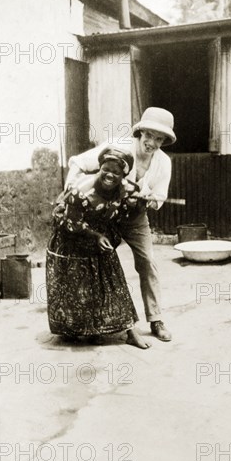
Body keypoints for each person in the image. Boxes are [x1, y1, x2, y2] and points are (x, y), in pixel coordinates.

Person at [66, 107, 176, 342]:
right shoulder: (118, 146)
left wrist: (148, 200)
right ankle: (91, 322)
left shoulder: (163, 163)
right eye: (149, 136)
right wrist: (70, 185)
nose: (152, 143)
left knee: (148, 262)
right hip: (105, 216)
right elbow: (78, 162)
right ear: (141, 132)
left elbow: (160, 198)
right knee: (96, 265)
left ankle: (155, 319)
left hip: (136, 217)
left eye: (159, 139)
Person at [46, 145, 151, 349]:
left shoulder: (126, 190)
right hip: (71, 237)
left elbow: (125, 214)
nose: (110, 175)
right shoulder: (81, 191)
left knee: (114, 279)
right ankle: (84, 330)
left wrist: (139, 204)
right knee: (77, 286)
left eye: (116, 172)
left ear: (123, 175)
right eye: (106, 169)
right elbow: (71, 223)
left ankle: (130, 331)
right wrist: (95, 235)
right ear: (99, 168)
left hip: (99, 234)